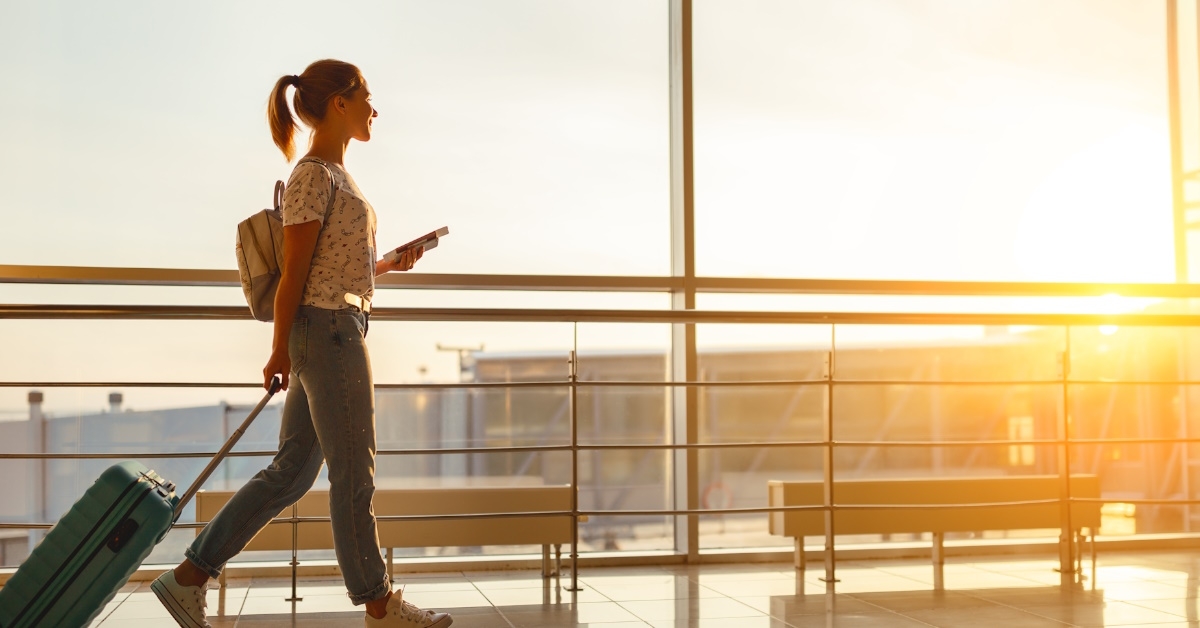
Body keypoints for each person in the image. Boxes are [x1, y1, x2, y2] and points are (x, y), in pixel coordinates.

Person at [152, 59, 452, 628]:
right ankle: (380, 605)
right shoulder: (313, 174)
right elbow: (293, 275)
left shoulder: (334, 176)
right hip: (328, 333)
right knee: (353, 471)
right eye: (367, 96)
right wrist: (280, 349)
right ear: (339, 102)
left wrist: (387, 264)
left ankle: (189, 577)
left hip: (334, 324)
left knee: (292, 471)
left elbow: (328, 269)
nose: (374, 108)